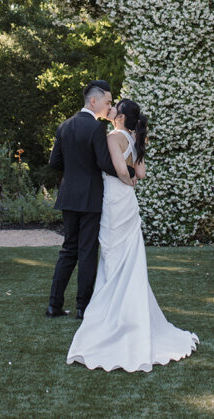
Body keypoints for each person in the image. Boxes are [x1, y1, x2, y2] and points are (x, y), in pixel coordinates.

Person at [66, 98, 198, 372]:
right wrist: (133, 181)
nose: (111, 109)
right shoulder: (136, 138)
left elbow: (118, 170)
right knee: (128, 255)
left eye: (115, 108)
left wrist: (127, 180)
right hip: (128, 202)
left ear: (122, 117)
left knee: (113, 255)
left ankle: (113, 315)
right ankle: (127, 310)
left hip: (115, 200)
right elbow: (142, 173)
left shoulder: (114, 137)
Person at [46, 80, 136, 319]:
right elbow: (104, 163)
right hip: (90, 198)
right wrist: (131, 173)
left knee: (68, 250)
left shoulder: (64, 126)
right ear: (93, 101)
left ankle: (53, 305)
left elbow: (55, 163)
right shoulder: (96, 129)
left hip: (68, 196)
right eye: (107, 102)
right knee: (87, 252)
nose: (109, 107)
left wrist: (75, 170)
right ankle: (82, 307)